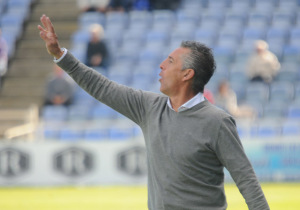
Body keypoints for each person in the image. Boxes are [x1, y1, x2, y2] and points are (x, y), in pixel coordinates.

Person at [38, 15, 270, 210]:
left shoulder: (217, 121)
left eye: (169, 61)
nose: (161, 65)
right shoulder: (149, 107)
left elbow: (246, 180)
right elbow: (101, 87)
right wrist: (60, 54)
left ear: (187, 74)